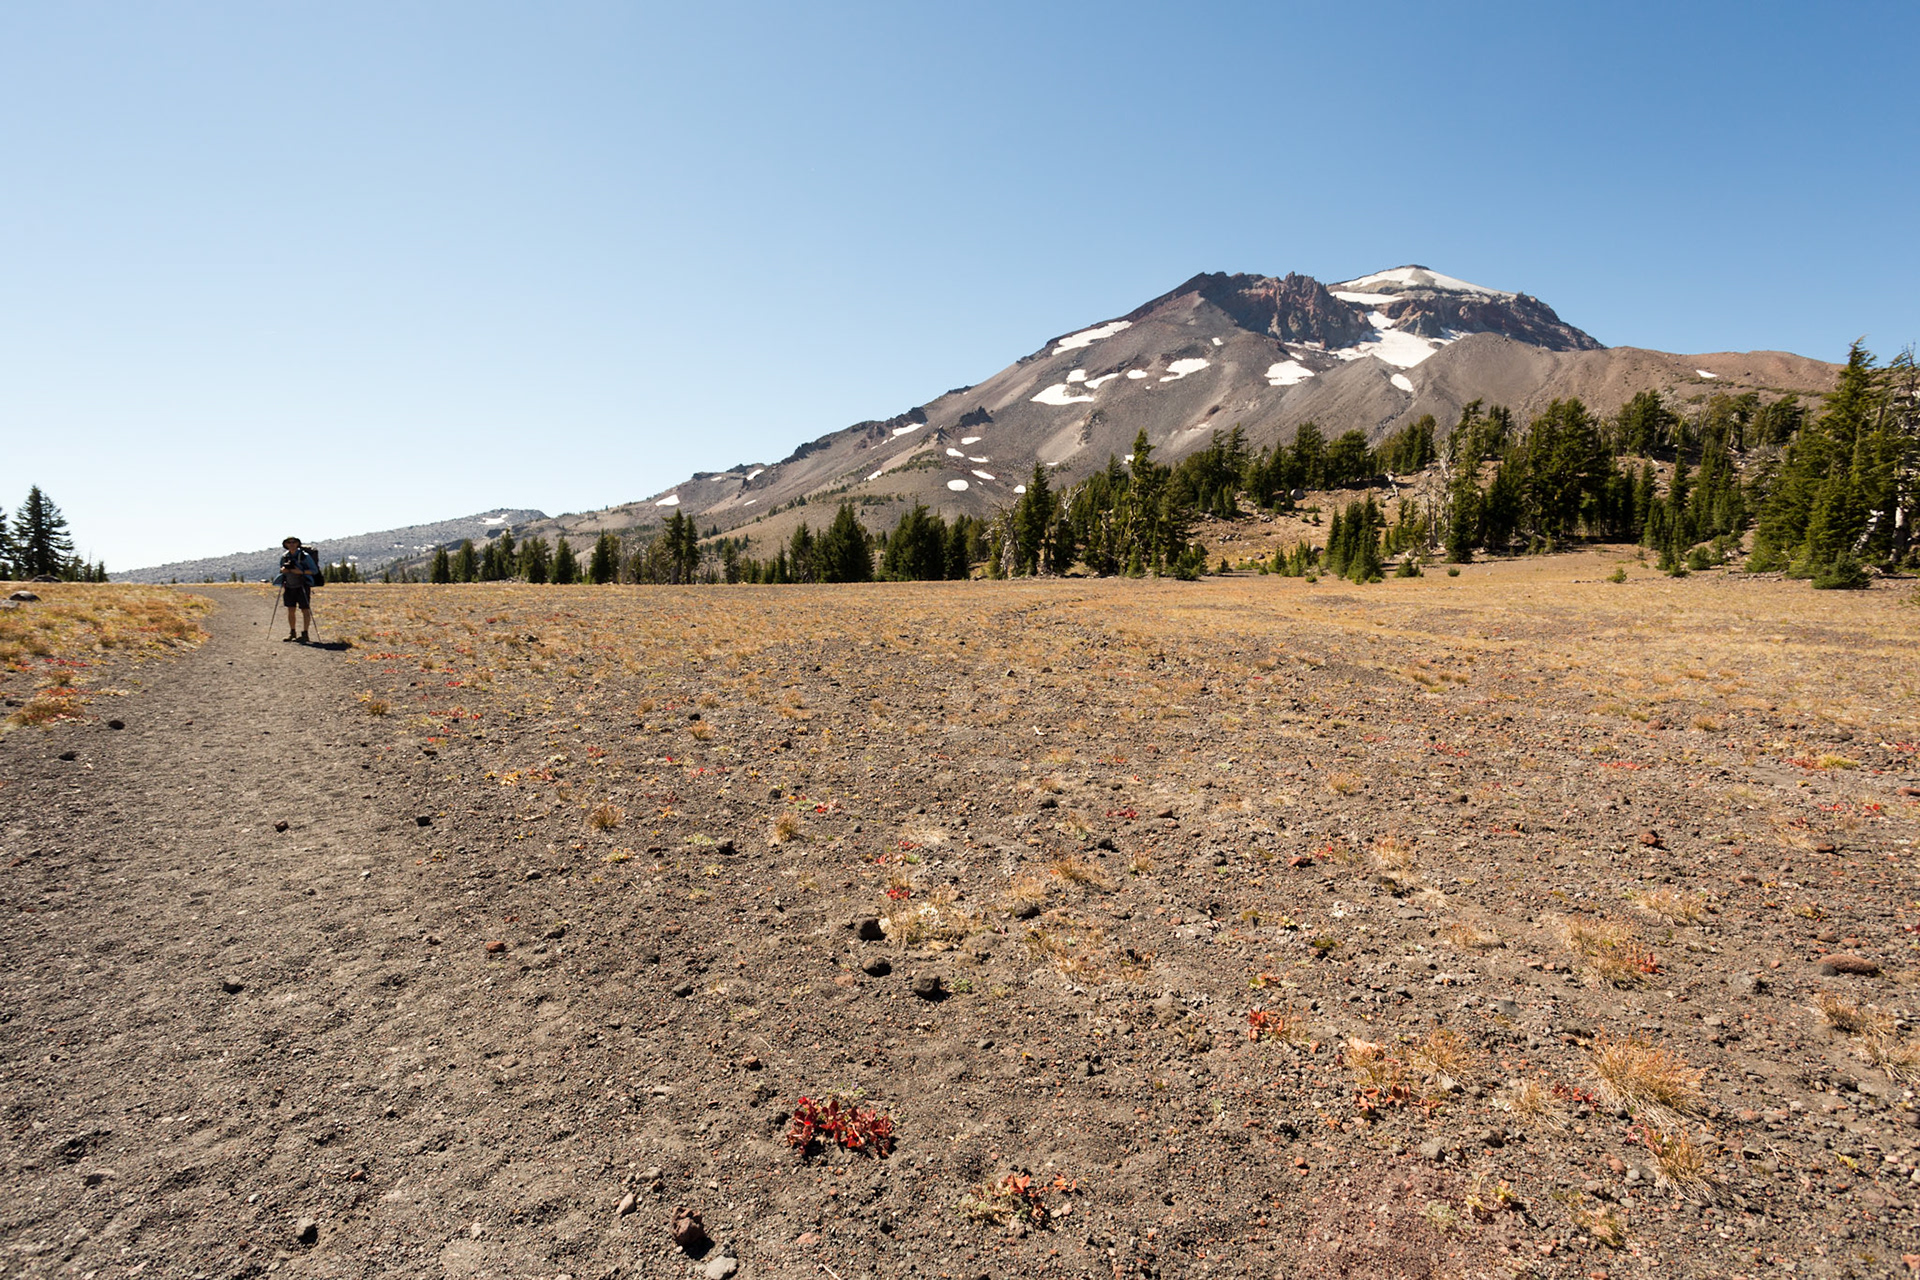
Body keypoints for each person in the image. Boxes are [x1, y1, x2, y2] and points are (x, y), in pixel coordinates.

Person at [273, 536, 320, 643]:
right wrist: (283, 570)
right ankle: (292, 633)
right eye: (289, 542)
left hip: (303, 585)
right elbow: (281, 569)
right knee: (291, 609)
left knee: (305, 609)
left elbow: (314, 570)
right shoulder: (284, 557)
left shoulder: (304, 556)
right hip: (289, 586)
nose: (291, 544)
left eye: (294, 542)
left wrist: (301, 572)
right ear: (286, 545)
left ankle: (305, 634)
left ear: (298, 544)